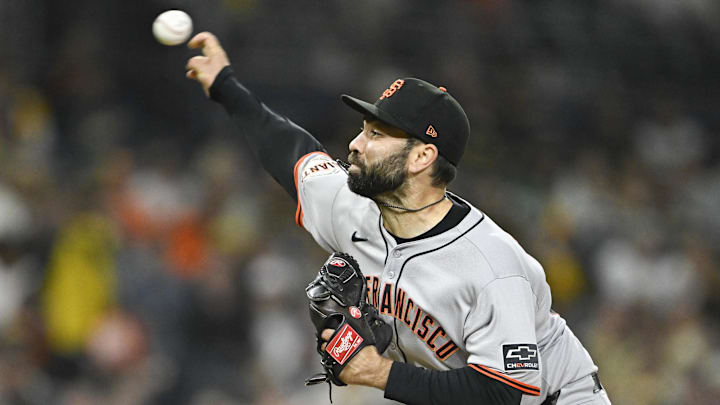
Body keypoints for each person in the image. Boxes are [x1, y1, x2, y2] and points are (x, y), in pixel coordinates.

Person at [185, 32, 611, 405]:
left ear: (422, 156)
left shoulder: (492, 266)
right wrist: (226, 86)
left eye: (376, 134)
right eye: (363, 128)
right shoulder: (351, 206)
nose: (354, 143)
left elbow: (504, 392)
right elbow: (291, 153)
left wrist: (376, 372)